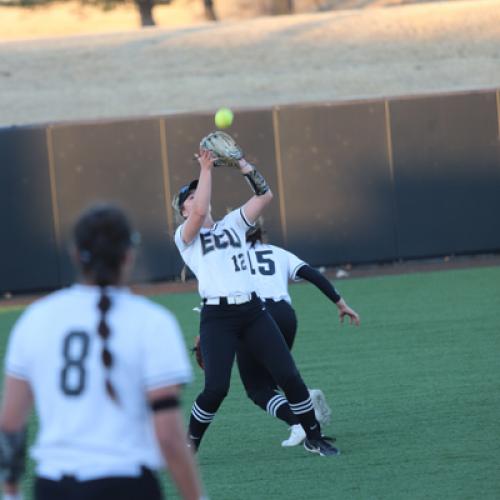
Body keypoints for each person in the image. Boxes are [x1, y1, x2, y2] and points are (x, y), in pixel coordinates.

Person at [0, 204, 205, 500]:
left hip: (55, 486)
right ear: (128, 256)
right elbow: (169, 438)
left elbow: (10, 424)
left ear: (74, 254)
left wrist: (10, 493)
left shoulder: (36, 318)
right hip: (129, 485)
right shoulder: (153, 322)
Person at [173, 146, 339, 457]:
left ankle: (314, 437)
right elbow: (198, 213)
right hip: (217, 316)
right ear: (182, 211)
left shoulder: (233, 223)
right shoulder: (185, 235)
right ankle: (189, 445)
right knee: (216, 388)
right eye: (190, 198)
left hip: (252, 311)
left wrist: (243, 165)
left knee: (288, 375)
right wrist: (206, 170)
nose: (197, 200)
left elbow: (264, 197)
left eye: (199, 194)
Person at [236, 225, 360, 447]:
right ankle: (306, 397)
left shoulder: (230, 257)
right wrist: (341, 304)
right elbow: (313, 275)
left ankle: (297, 423)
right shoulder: (279, 252)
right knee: (276, 374)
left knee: (257, 388)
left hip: (254, 315)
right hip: (285, 315)